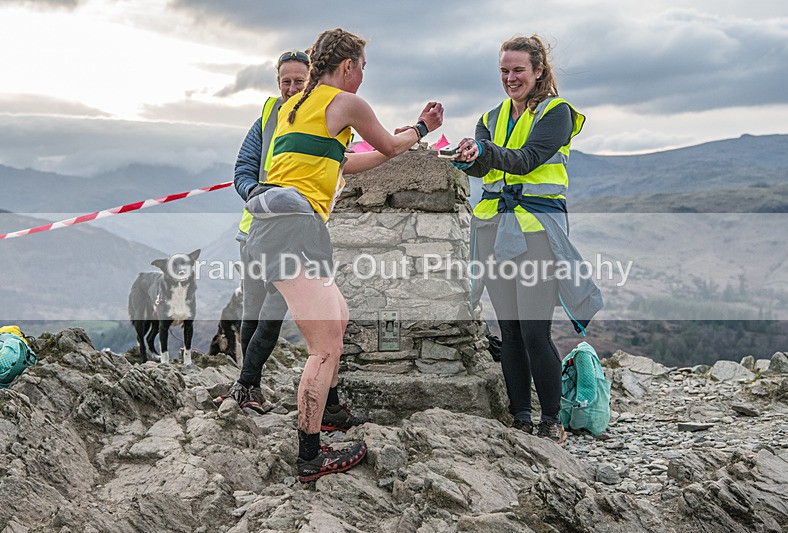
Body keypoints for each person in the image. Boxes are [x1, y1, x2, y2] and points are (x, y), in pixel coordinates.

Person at [243, 27, 443, 482]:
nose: (363, 79)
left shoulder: (296, 106)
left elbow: (343, 162)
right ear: (349, 66)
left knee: (339, 315)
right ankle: (311, 455)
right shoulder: (346, 102)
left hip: (273, 229)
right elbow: (390, 146)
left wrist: (390, 149)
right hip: (295, 231)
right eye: (363, 69)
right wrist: (423, 128)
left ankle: (330, 411)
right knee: (323, 348)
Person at [453, 35, 603, 445]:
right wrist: (470, 154)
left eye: (518, 70)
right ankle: (521, 417)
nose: (510, 78)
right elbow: (485, 171)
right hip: (494, 229)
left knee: (536, 331)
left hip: (537, 232)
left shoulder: (558, 113)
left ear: (538, 71)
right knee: (511, 331)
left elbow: (527, 160)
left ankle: (551, 421)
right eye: (504, 70)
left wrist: (485, 149)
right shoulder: (491, 116)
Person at [213, 50, 310, 414]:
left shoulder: (320, 118)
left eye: (299, 81)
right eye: (285, 81)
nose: (291, 88)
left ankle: (246, 382)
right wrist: (257, 195)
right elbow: (242, 170)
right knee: (251, 312)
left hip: (293, 237)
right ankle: (249, 387)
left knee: (274, 310)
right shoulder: (267, 118)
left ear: (311, 81)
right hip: (252, 233)